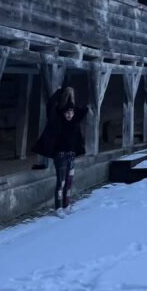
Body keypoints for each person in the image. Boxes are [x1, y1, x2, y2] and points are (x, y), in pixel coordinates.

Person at [32, 87, 88, 215]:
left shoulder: (75, 120)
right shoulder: (58, 120)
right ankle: (58, 208)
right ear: (63, 113)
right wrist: (59, 92)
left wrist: (71, 95)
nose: (69, 115)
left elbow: (82, 110)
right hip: (60, 155)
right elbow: (51, 105)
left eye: (71, 112)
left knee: (69, 182)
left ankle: (66, 205)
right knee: (61, 182)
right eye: (67, 112)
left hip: (71, 155)